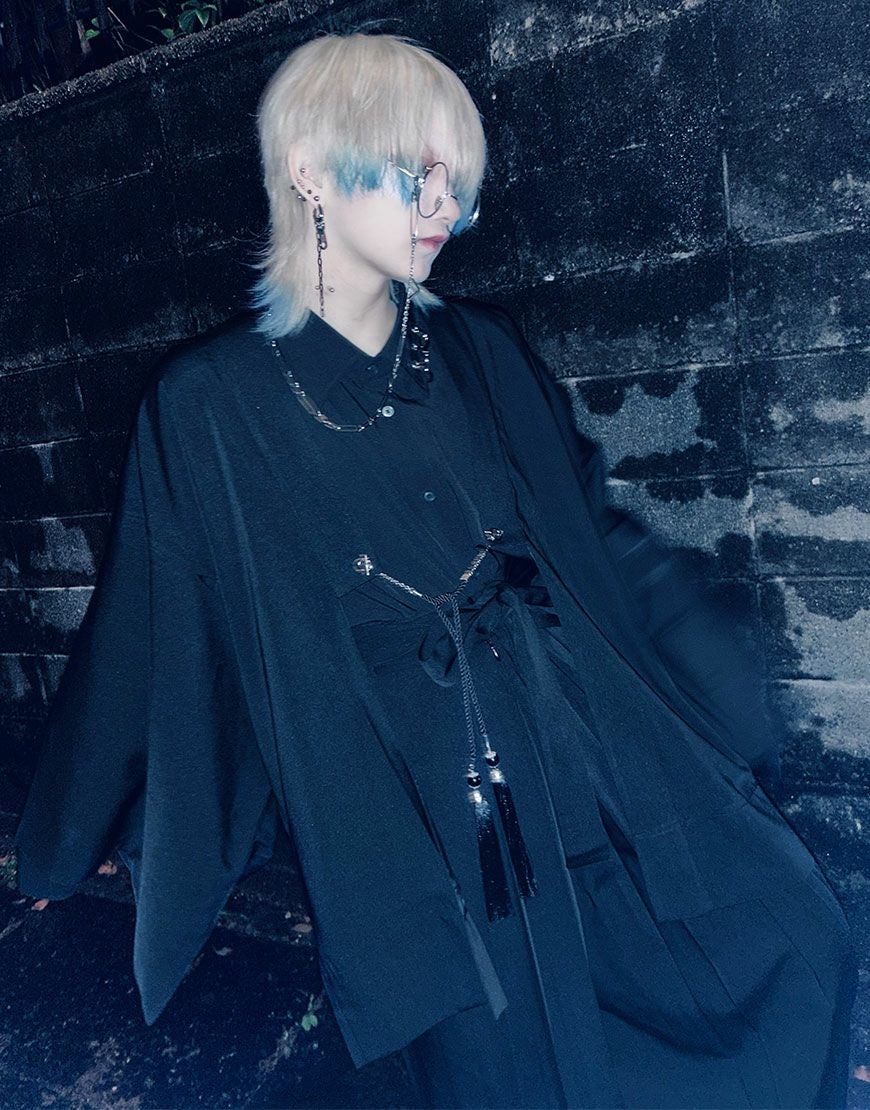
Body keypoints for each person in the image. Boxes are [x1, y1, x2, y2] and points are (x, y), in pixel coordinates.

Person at [14, 29, 858, 1110]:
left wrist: (719, 687)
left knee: (761, 951)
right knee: (486, 1056)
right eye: (413, 170)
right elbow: (146, 635)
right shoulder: (210, 406)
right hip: (398, 799)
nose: (443, 204)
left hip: (568, 745)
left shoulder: (481, 350)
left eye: (454, 178)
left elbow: (593, 536)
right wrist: (59, 846)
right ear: (310, 171)